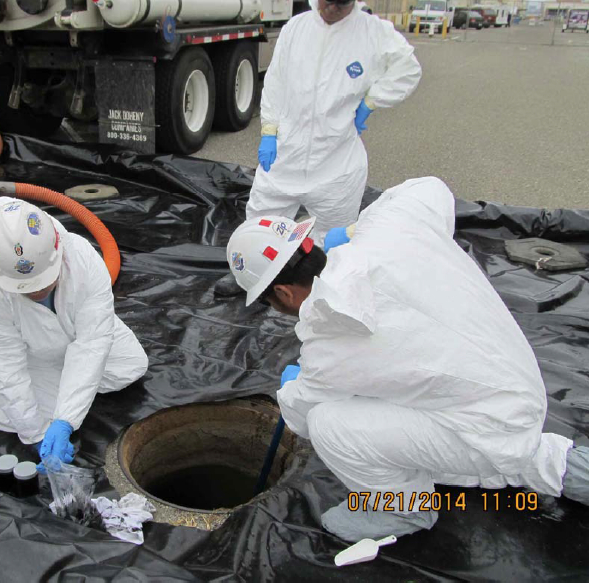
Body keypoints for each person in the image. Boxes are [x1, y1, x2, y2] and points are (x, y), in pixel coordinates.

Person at [224, 177, 589, 542]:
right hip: (514, 385)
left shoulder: (332, 340)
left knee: (328, 424)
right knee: (497, 440)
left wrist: (294, 391)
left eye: (269, 302)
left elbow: (302, 416)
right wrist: (356, 229)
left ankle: (404, 509)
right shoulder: (391, 228)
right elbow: (431, 188)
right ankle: (569, 469)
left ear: (283, 292)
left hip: (488, 421)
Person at [215, 0, 421, 296]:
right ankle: (249, 273)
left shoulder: (374, 33)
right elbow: (275, 83)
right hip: (287, 153)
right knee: (262, 220)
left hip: (335, 161)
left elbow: (408, 69)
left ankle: (322, 286)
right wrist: (269, 130)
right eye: (326, 1)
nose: (330, 9)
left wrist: (371, 100)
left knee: (333, 240)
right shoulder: (296, 29)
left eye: (339, 3)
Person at [0, 197, 148, 466]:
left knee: (130, 365)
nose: (38, 291)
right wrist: (36, 434)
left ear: (58, 250)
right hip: (29, 353)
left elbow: (92, 342)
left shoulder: (82, 257)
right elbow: (3, 367)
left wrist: (65, 420)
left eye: (43, 281)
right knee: (6, 403)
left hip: (77, 335)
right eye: (25, 287)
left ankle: (57, 388)